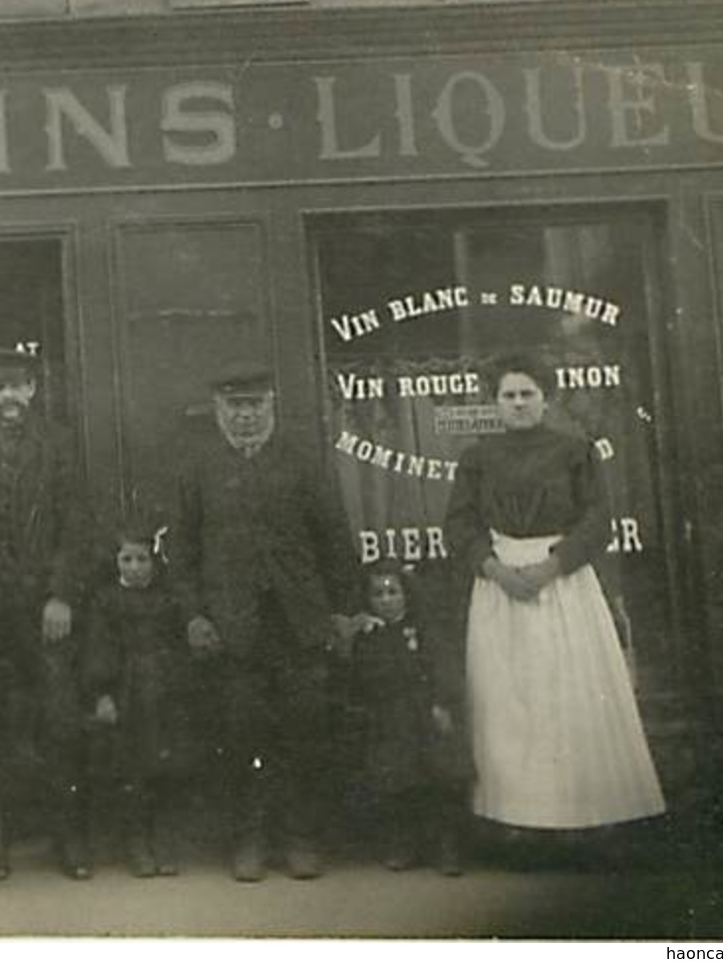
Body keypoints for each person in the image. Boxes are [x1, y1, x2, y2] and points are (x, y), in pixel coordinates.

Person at [444, 354, 665, 840]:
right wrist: (495, 569)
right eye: (508, 395)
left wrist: (551, 566)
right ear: (495, 402)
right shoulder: (477, 459)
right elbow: (458, 525)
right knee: (509, 700)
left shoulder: (575, 450)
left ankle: (576, 816)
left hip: (561, 583)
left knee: (566, 695)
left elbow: (597, 520)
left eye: (527, 394)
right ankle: (515, 816)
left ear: (545, 398)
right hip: (501, 587)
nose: (518, 403)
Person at [169, 362, 360, 881]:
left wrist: (342, 612)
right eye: (235, 407)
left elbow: (336, 542)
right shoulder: (198, 468)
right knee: (241, 735)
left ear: (272, 406)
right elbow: (181, 554)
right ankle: (248, 841)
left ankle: (300, 838)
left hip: (299, 625)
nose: (246, 417)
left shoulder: (302, 462)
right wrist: (193, 616)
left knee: (305, 731)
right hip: (233, 629)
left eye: (255, 405)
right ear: (218, 411)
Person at [0, 346, 92, 879]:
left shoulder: (59, 446)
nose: (8, 396)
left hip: (45, 609)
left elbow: (77, 524)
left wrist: (60, 594)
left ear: (32, 390)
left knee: (59, 719)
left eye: (18, 385)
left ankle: (69, 838)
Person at [82, 516, 197, 878]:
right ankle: (136, 842)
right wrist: (103, 694)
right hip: (127, 695)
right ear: (115, 562)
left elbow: (181, 646)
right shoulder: (105, 601)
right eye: (126, 560)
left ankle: (164, 841)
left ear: (154, 562)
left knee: (167, 770)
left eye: (142, 559)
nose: (134, 568)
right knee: (132, 772)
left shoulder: (168, 600)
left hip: (164, 694)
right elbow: (98, 651)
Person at [338, 557, 469, 876]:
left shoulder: (424, 629)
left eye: (392, 592)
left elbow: (444, 668)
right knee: (396, 782)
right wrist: (360, 637)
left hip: (427, 716)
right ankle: (403, 843)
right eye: (378, 594)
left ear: (406, 594)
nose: (385, 600)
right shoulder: (370, 636)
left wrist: (442, 702)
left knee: (439, 778)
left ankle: (445, 845)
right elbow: (360, 681)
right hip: (390, 720)